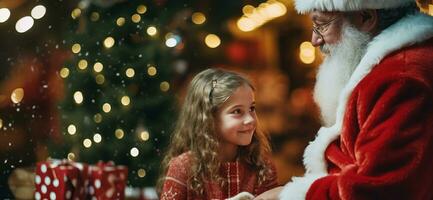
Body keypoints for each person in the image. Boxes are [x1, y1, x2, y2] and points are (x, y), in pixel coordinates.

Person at [255, 0, 433, 199]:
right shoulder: (398, 67)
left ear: (366, 17)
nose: (314, 40)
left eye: (321, 25)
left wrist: (294, 195)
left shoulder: (401, 78)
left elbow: (382, 187)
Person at [157, 68, 279, 199]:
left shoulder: (263, 168)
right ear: (208, 118)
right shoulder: (183, 168)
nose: (250, 119)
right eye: (237, 111)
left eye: (252, 108)